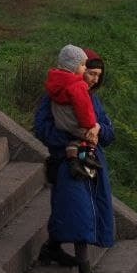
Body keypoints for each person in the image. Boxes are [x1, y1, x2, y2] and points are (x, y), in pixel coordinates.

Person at [34, 48, 114, 273]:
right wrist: (71, 140)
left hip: (92, 165)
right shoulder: (55, 98)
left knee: (74, 210)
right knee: (80, 213)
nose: (92, 80)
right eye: (90, 73)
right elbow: (42, 129)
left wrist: (98, 131)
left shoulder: (91, 100)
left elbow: (110, 133)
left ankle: (52, 247)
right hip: (68, 165)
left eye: (97, 76)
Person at [45, 45, 100, 178]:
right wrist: (91, 124)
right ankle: (88, 158)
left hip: (60, 123)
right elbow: (83, 109)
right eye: (82, 65)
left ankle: (74, 161)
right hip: (73, 123)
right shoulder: (77, 85)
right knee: (90, 138)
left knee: (74, 142)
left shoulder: (54, 80)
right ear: (72, 66)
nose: (85, 68)